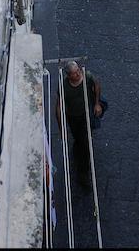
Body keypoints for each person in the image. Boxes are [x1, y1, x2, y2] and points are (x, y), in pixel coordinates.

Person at [56, 60, 104, 189]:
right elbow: (59, 107)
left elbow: (97, 84)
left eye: (78, 71)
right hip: (73, 117)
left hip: (86, 114)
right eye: (74, 73)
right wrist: (62, 129)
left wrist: (97, 103)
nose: (78, 74)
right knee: (79, 138)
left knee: (85, 144)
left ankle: (83, 173)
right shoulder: (64, 86)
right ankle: (79, 147)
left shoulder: (87, 76)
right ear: (68, 75)